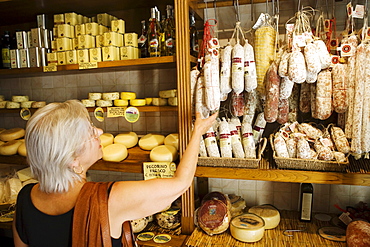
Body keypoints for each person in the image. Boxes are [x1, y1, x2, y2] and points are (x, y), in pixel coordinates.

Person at [12, 99, 218, 247]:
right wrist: (197, 133)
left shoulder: (24, 198)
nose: (100, 132)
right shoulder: (107, 199)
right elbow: (181, 183)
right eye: (91, 132)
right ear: (72, 159)